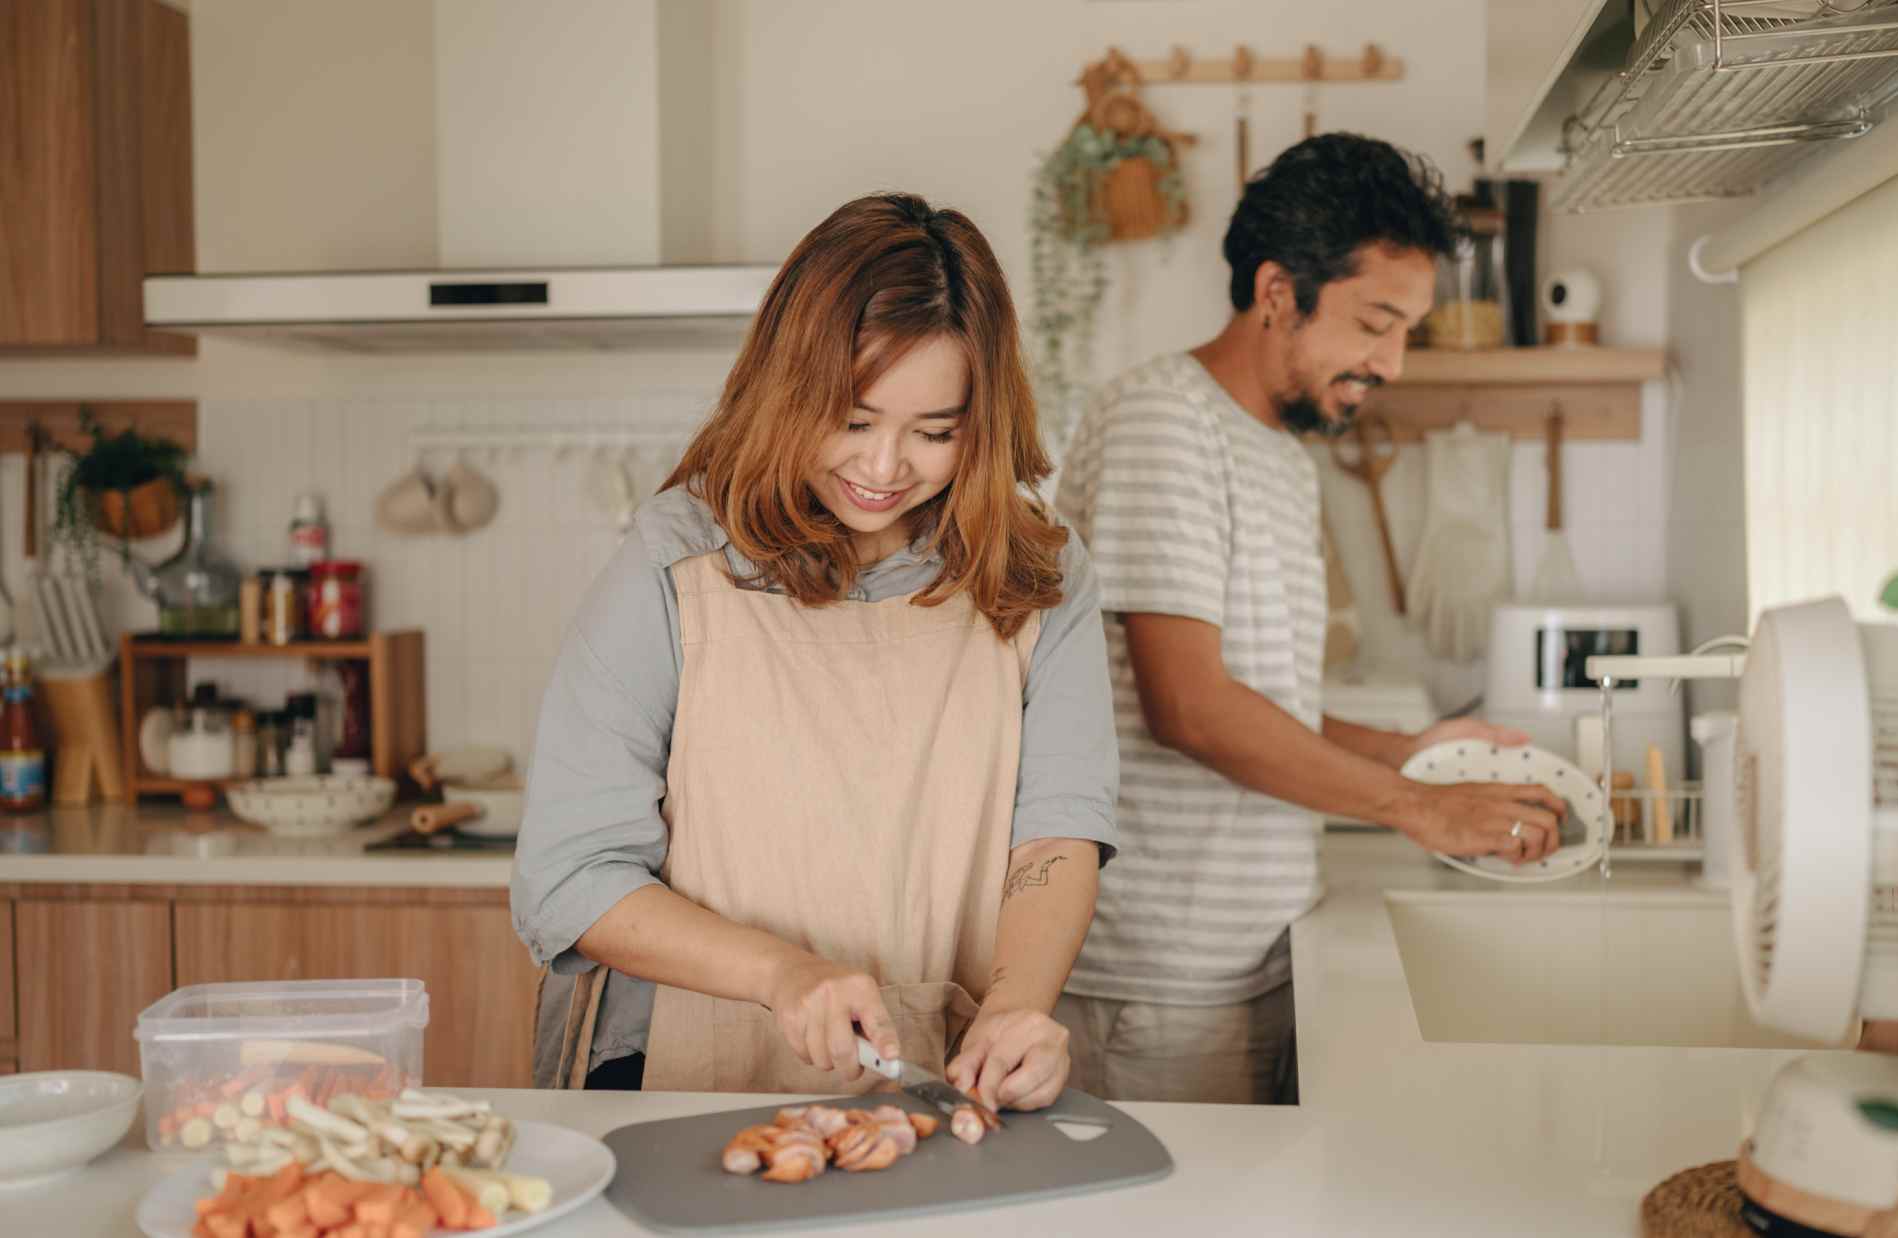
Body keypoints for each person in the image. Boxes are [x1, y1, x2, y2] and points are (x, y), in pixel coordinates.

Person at [513, 193, 1118, 1113]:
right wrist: (784, 973)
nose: (883, 469)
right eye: (852, 418)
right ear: (787, 389)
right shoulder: (676, 560)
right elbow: (571, 876)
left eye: (934, 433)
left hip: (937, 1073)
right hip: (682, 1067)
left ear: (981, 424)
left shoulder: (1038, 576)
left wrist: (1018, 1006)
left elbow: (1055, 835)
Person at [1052, 135, 1565, 1104]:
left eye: (1406, 329)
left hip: (1250, 956)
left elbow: (1264, 708)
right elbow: (1190, 708)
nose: (1394, 362)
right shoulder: (1164, 420)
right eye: (1377, 321)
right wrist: (1418, 805)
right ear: (1279, 290)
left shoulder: (1280, 455)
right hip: (1157, 980)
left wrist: (1411, 751)